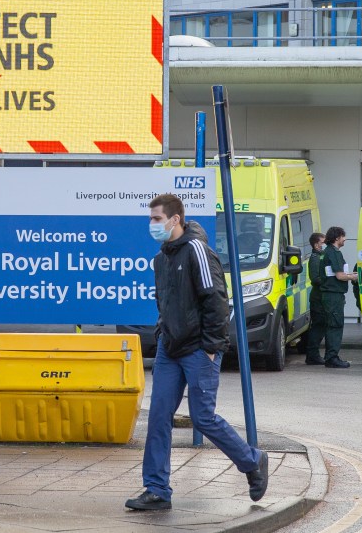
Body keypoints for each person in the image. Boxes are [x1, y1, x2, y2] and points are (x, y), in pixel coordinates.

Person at [126, 193, 269, 511]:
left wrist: (211, 348)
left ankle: (252, 461)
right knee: (159, 417)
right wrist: (164, 332)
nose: (152, 224)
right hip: (170, 348)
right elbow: (164, 302)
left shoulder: (196, 251)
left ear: (175, 219)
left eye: (156, 219)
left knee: (203, 417)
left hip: (199, 349)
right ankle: (157, 489)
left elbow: (217, 300)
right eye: (151, 218)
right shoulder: (161, 258)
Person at [320, 226, 358, 369]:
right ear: (337, 238)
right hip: (333, 296)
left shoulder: (326, 252)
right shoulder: (334, 253)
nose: (345, 239)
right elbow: (340, 275)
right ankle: (332, 358)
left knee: (331, 325)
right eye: (343, 236)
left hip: (329, 295)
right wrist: (354, 277)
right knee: (335, 326)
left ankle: (330, 356)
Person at [303, 232, 327, 365]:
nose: (325, 245)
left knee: (321, 326)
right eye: (323, 242)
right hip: (318, 299)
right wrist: (330, 282)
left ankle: (313, 355)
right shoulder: (315, 258)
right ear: (317, 244)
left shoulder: (320, 256)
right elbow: (316, 279)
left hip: (321, 298)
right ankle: (312, 355)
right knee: (317, 327)